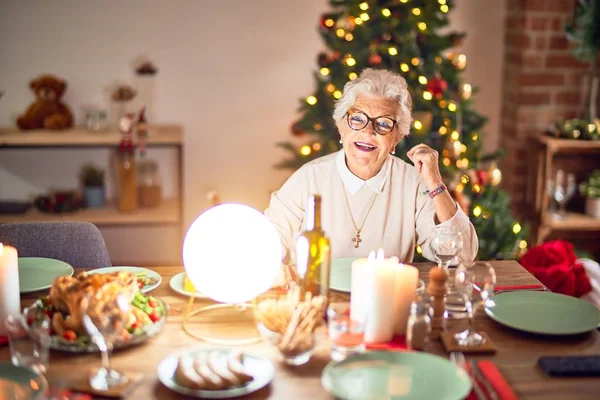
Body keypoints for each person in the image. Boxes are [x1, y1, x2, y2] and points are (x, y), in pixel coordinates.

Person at [265, 68, 478, 264]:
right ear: (341, 127)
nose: (368, 132)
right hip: (319, 299)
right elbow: (268, 245)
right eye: (357, 119)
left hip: (388, 302)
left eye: (383, 123)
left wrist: (435, 182)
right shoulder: (308, 179)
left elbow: (462, 254)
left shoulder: (413, 182)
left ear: (398, 136)